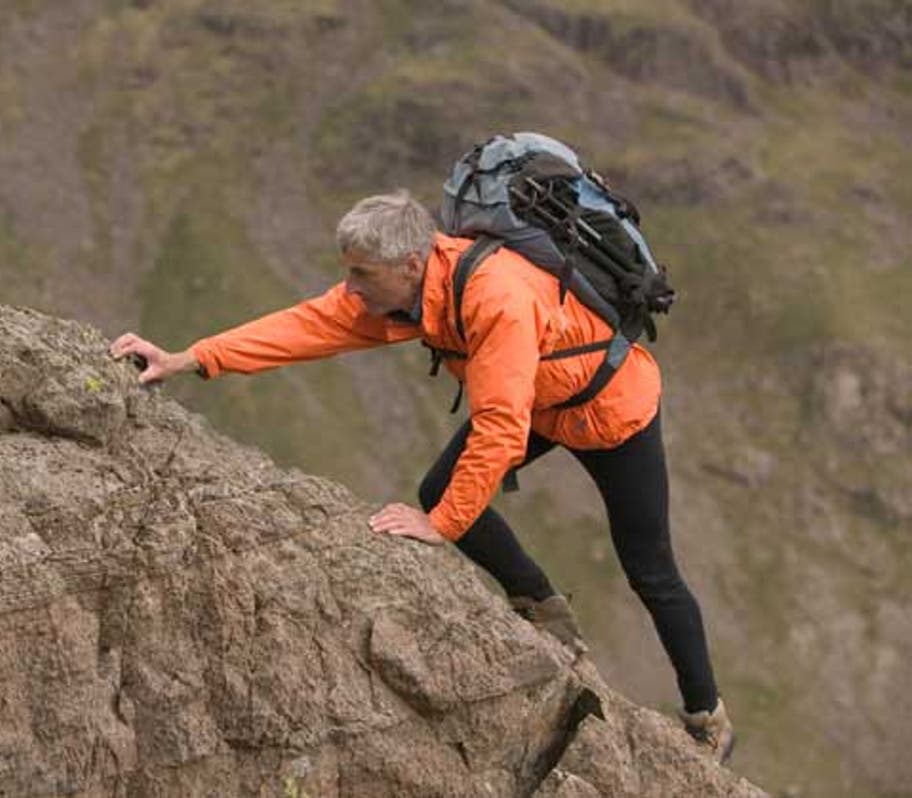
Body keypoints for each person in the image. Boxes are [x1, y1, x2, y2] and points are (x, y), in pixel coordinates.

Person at [110, 190, 734, 763]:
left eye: (361, 274)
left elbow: (499, 429)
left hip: (610, 409)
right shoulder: (407, 292)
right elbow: (303, 327)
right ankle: (547, 613)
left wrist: (441, 529)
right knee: (441, 489)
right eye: (349, 270)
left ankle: (708, 717)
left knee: (649, 569)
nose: (349, 288)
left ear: (411, 263)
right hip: (535, 397)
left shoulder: (496, 299)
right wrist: (190, 357)